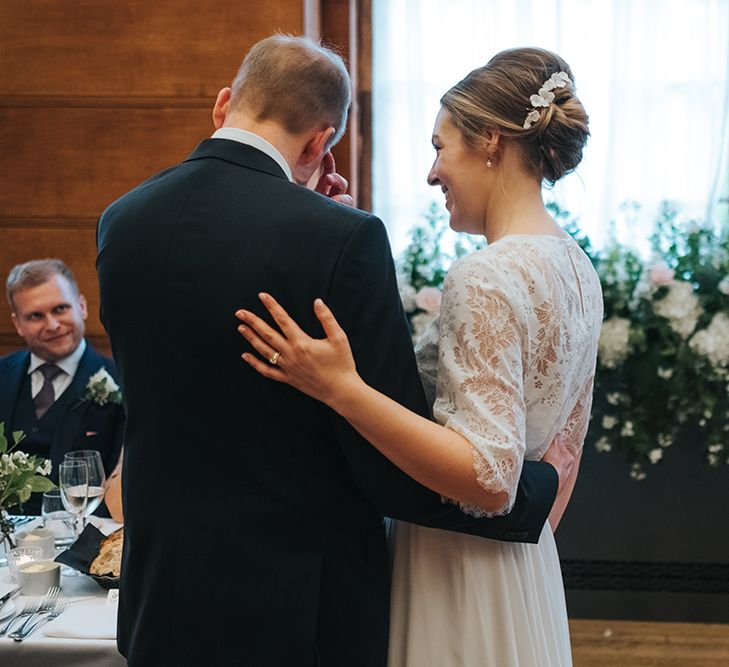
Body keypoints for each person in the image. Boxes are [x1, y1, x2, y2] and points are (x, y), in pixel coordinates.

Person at [96, 35, 571, 667]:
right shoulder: (345, 238)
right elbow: (386, 468)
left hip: (161, 598)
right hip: (296, 612)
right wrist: (537, 489)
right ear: (323, 143)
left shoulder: (120, 221)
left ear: (224, 105)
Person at [237, 47, 601, 666]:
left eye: (440, 147)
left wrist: (341, 389)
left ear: (490, 141)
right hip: (523, 565)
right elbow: (564, 451)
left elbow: (489, 478)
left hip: (450, 566)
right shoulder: (575, 265)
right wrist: (520, 565)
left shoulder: (484, 278)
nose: (432, 173)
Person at [0, 259, 124, 515]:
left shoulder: (121, 382)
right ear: (18, 324)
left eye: (60, 309)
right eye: (36, 315)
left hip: (86, 539)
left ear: (81, 307)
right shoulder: (3, 375)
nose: (53, 325)